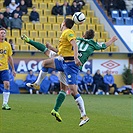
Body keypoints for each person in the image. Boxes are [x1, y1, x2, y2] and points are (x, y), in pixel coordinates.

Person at [21, 28, 118, 126]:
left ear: (84, 35)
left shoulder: (77, 40)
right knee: (63, 88)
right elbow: (104, 45)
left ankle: (83, 115)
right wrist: (112, 40)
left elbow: (47, 49)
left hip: (70, 64)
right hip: (66, 62)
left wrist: (33, 42)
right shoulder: (92, 44)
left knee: (70, 89)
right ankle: (55, 109)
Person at [0, 27, 16, 110]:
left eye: (4, 33)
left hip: (4, 69)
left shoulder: (7, 45)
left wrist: (13, 69)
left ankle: (5, 104)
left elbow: (10, 57)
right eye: (1, 33)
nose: (3, 34)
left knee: (7, 84)